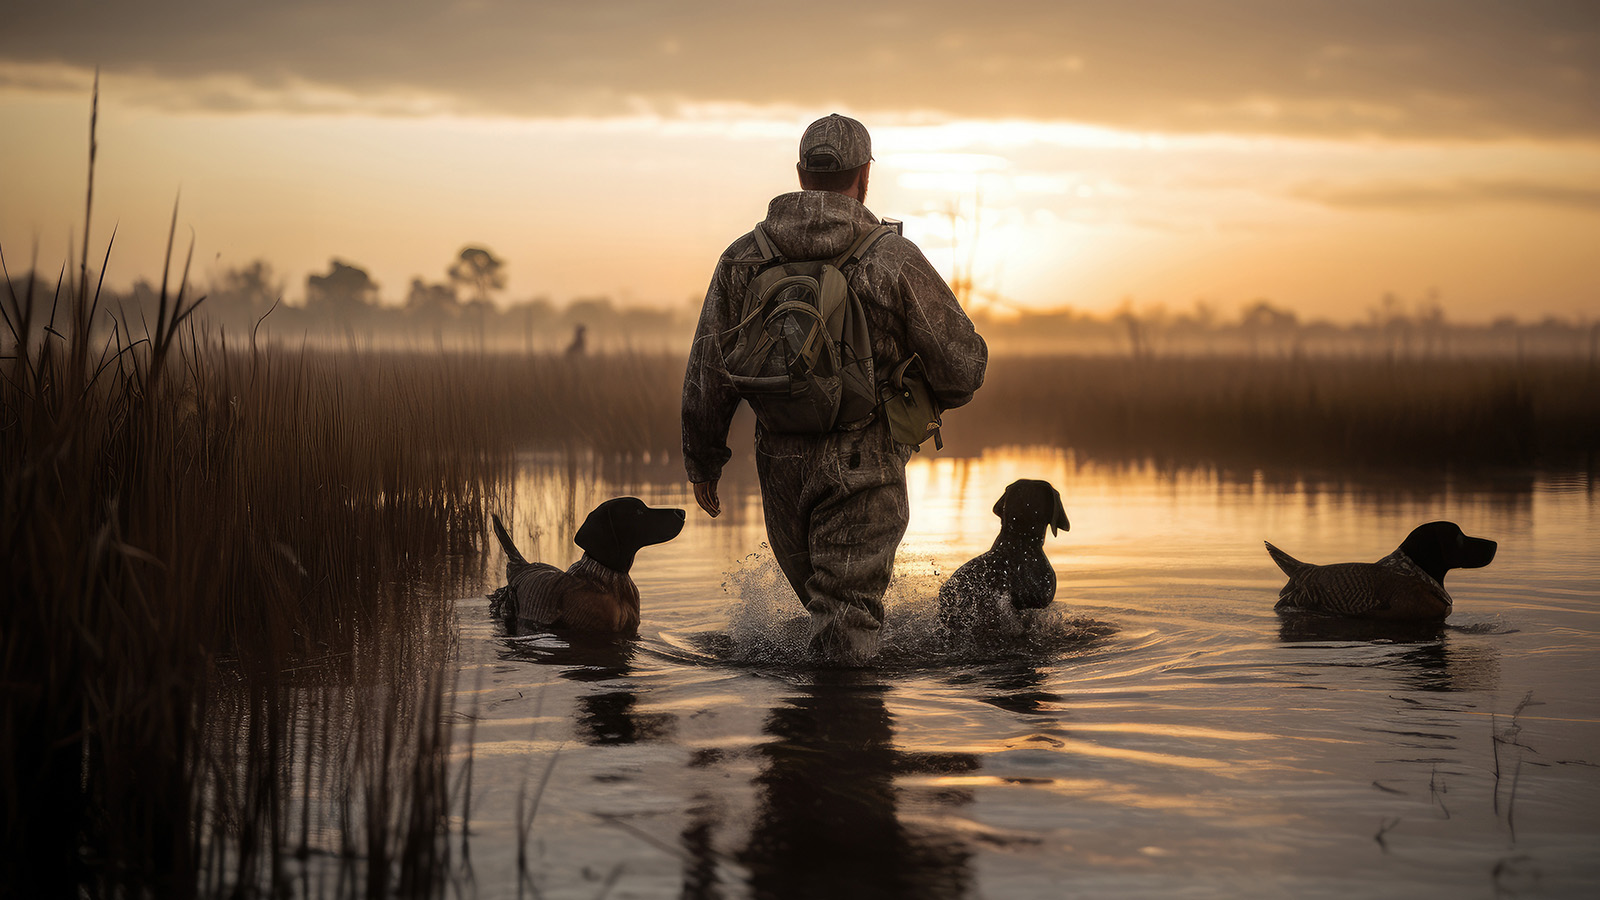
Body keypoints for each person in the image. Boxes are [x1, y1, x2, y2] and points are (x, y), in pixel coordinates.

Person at [681, 113, 987, 664]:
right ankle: (848, 742)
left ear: (800, 174)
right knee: (846, 631)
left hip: (778, 466)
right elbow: (964, 367)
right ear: (864, 176)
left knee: (824, 620)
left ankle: (808, 744)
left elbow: (708, 367)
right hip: (862, 460)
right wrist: (924, 400)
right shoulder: (891, 257)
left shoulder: (742, 257)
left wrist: (703, 459)